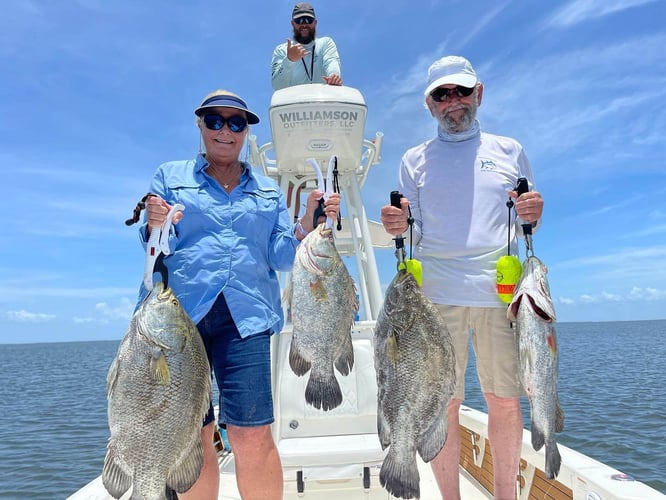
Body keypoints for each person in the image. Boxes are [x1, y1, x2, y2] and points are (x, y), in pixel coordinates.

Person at [138, 89, 341, 499]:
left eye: (235, 123)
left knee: (251, 433)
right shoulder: (170, 176)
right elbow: (158, 244)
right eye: (215, 121)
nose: (225, 131)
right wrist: (156, 223)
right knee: (193, 432)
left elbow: (283, 256)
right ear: (201, 126)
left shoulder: (266, 191)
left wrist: (304, 224)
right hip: (179, 320)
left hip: (245, 319)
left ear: (246, 130)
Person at [380, 56, 544, 500]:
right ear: (429, 105)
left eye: (462, 91)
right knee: (443, 404)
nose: (454, 102)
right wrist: (395, 222)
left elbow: (527, 220)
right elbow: (407, 227)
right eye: (442, 94)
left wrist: (534, 213)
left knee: (506, 401)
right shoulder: (414, 161)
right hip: (434, 302)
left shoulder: (510, 151)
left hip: (500, 295)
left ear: (479, 94)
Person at [271, 2, 343, 90]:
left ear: (315, 23)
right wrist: (289, 60)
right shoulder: (281, 50)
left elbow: (331, 62)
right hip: (293, 102)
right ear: (293, 23)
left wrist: (333, 76)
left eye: (309, 20)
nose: (304, 24)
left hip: (323, 101)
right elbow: (278, 87)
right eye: (299, 20)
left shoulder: (326, 43)